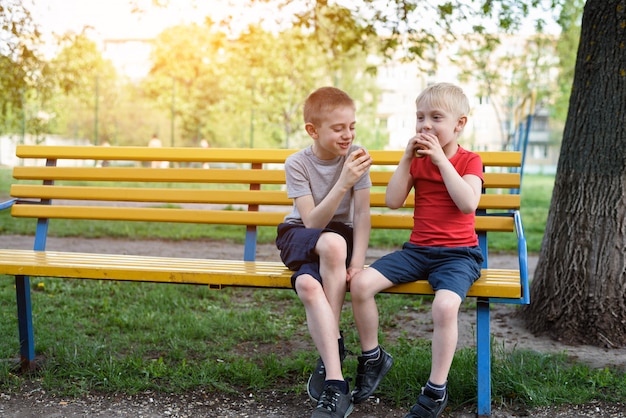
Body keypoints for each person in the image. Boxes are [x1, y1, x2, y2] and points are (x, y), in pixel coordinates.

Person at [349, 82, 484, 418]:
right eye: (420, 117)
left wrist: (441, 161)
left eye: (436, 117)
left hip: (459, 255)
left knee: (444, 307)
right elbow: (393, 201)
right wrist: (408, 158)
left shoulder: (469, 160)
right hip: (417, 251)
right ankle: (373, 357)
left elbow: (468, 204)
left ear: (459, 124)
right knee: (360, 284)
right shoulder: (418, 160)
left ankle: (435, 390)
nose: (425, 124)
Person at [276, 86, 373, 418]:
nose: (348, 135)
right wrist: (343, 181)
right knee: (331, 241)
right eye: (338, 128)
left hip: (339, 239)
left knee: (306, 285)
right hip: (300, 234)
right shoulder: (297, 164)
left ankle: (335, 382)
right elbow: (312, 220)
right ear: (313, 131)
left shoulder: (356, 155)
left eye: (351, 126)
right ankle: (335, 346)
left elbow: (361, 215)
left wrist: (357, 264)